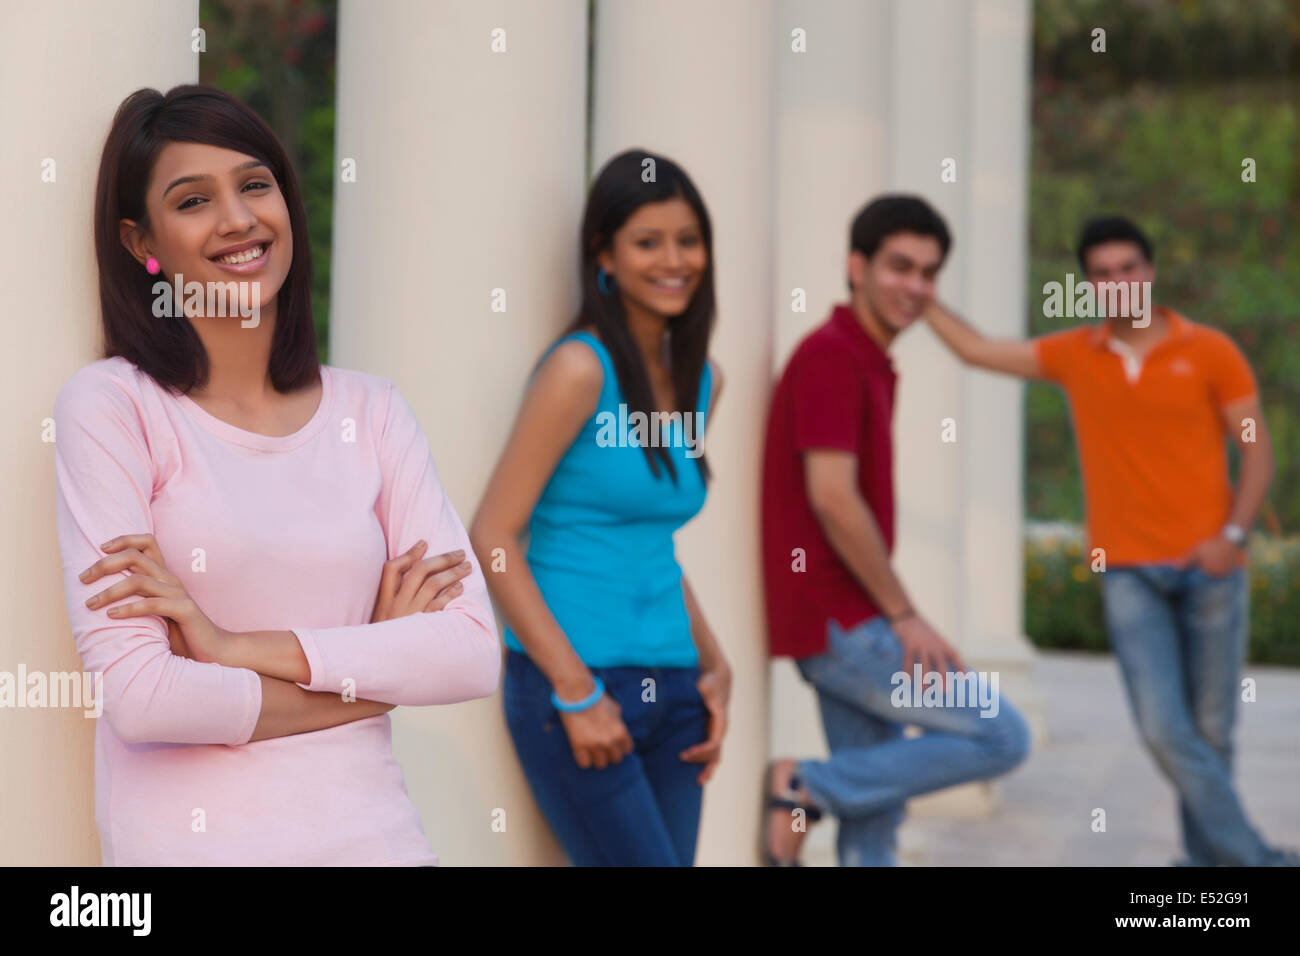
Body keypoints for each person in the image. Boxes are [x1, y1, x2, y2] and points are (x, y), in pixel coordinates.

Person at [54, 85, 499, 866]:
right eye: (194, 200)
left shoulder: (375, 410)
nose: (238, 219)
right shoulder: (113, 408)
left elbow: (467, 651)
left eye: (255, 185)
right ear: (139, 242)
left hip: (381, 844)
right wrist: (378, 665)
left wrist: (228, 644)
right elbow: (144, 698)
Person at [924, 215, 1296, 866]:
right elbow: (978, 351)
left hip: (1211, 567)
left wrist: (1233, 536)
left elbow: (1257, 451)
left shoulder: (1209, 351)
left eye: (1129, 268)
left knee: (1212, 733)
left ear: (1149, 274)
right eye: (1102, 274)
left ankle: (1208, 864)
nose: (1118, 282)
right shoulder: (1074, 355)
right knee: (1162, 728)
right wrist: (920, 293)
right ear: (1088, 286)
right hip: (1128, 572)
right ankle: (1255, 861)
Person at [470, 149, 730, 866]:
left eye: (688, 240)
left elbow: (652, 542)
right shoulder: (579, 370)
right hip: (579, 685)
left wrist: (715, 663)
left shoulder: (703, 380)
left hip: (677, 690)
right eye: (648, 242)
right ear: (604, 255)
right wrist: (575, 690)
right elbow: (493, 535)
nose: (673, 260)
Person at [761, 195, 1032, 867]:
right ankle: (805, 783)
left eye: (929, 272)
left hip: (843, 618)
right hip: (842, 621)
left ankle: (820, 788)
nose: (915, 286)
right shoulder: (831, 356)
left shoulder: (866, 359)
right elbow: (833, 498)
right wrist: (905, 615)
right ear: (857, 266)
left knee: (876, 817)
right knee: (1001, 735)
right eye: (900, 266)